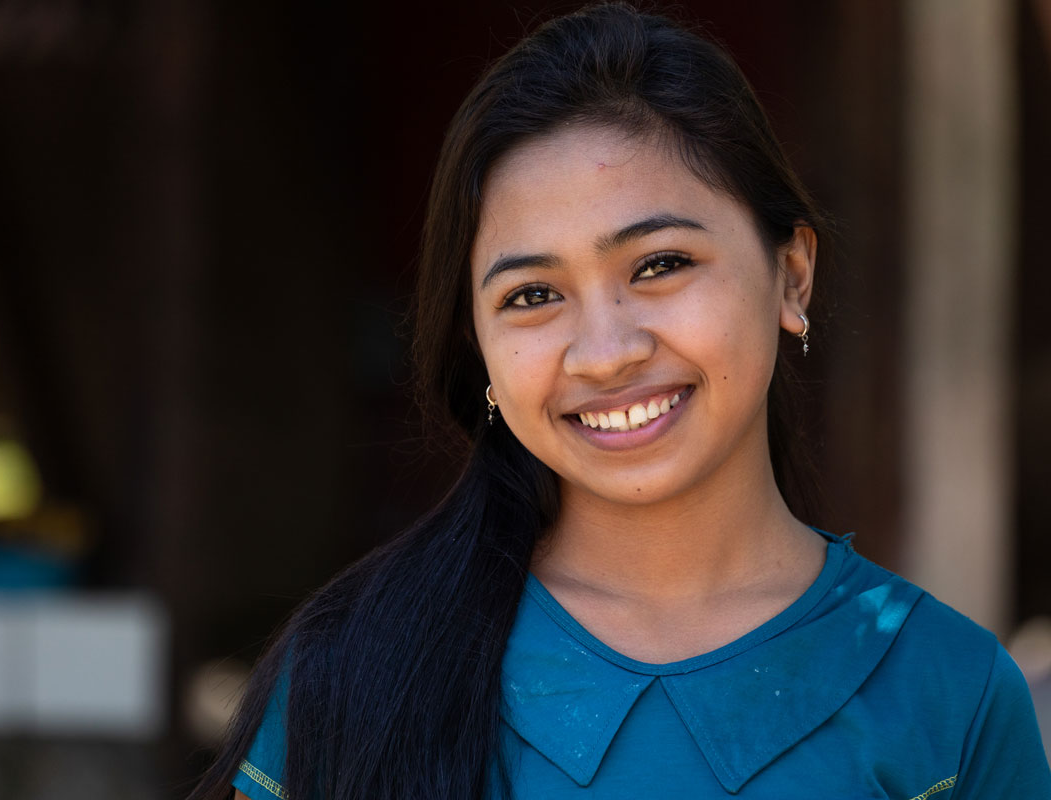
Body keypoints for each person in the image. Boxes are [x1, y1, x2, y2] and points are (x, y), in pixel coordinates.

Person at [190, 4, 1051, 798]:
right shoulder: (349, 672)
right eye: (531, 295)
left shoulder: (951, 695)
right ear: (476, 346)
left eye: (660, 265)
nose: (605, 354)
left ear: (791, 276)